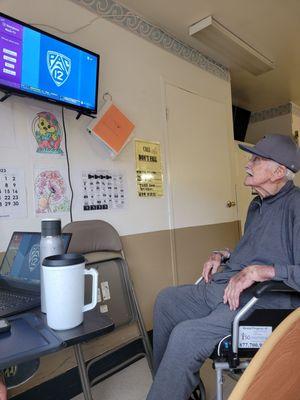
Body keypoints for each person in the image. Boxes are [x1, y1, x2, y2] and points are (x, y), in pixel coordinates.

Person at [146, 134, 300, 400]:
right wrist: (223, 255)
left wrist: (261, 271)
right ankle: (173, 386)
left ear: (278, 172)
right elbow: (253, 250)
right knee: (166, 300)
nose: (247, 164)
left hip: (262, 302)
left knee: (186, 336)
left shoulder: (296, 205)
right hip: (226, 287)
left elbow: (268, 265)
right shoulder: (257, 205)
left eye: (257, 159)